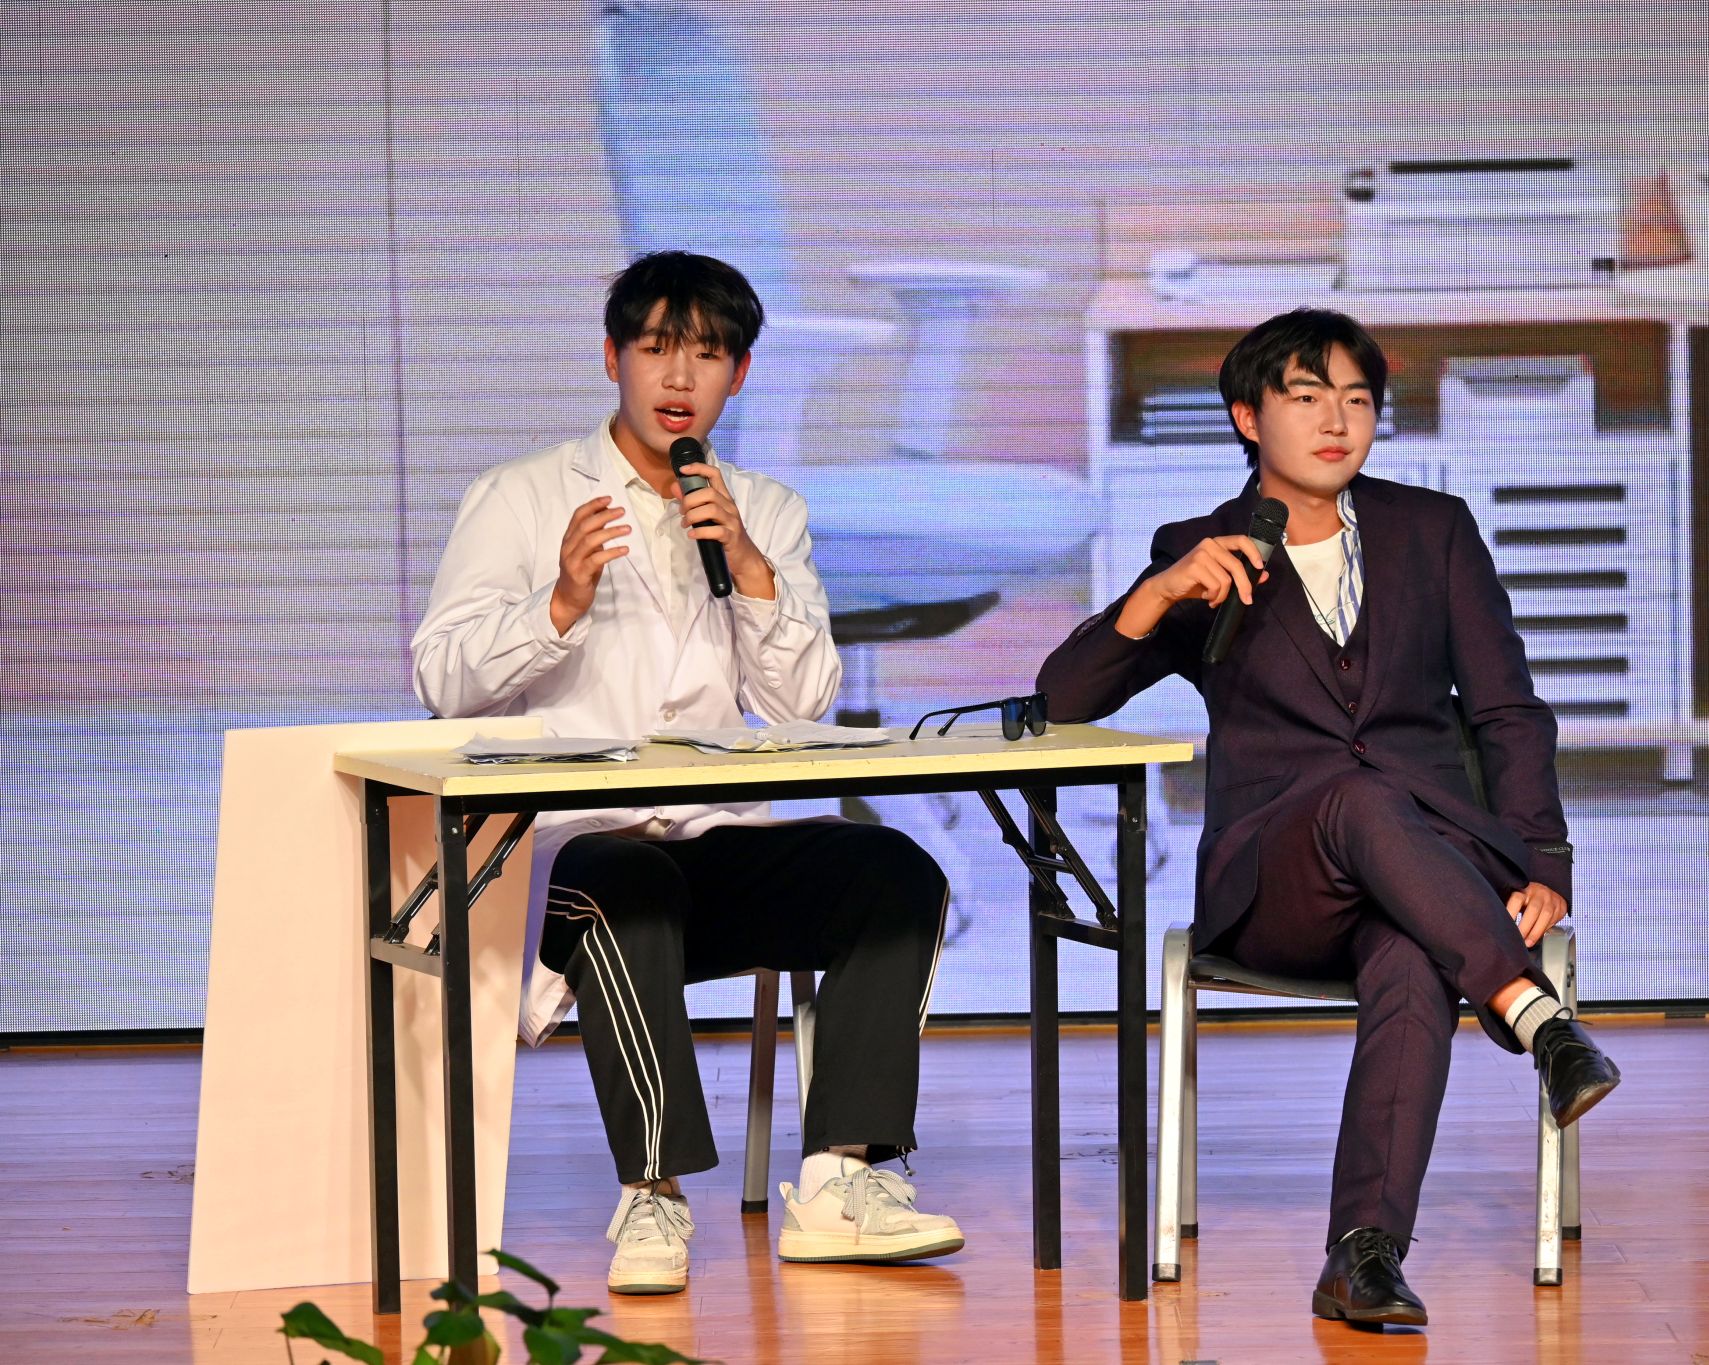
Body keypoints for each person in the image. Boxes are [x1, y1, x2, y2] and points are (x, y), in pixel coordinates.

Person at [1035, 308, 1620, 1329]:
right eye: (1307, 397)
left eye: (1357, 399)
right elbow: (1063, 698)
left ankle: (1363, 1256)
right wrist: (1157, 594)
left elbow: (1506, 711)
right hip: (1276, 887)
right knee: (1354, 795)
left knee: (1411, 956)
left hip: (1427, 878)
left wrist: (1541, 858)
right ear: (1247, 417)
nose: (1337, 421)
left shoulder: (1433, 532)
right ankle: (1536, 1019)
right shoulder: (1198, 552)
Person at [412, 250, 963, 1295]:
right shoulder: (520, 497)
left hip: (714, 846)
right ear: (612, 356)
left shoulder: (764, 509)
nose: (678, 377)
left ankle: (843, 1180)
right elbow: (442, 679)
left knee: (892, 872)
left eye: (706, 355)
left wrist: (750, 572)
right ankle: (653, 1193)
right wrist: (557, 602)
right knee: (623, 878)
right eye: (657, 348)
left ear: (738, 375)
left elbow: (803, 703)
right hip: (567, 862)